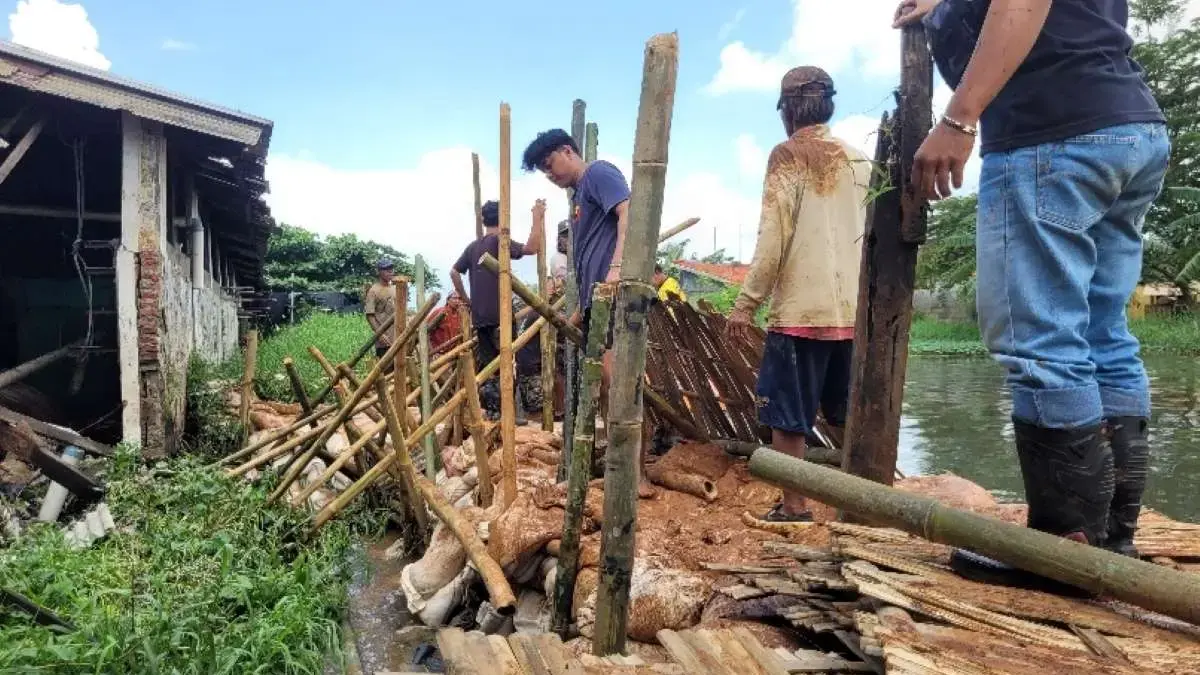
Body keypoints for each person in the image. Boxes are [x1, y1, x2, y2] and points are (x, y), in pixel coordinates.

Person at [894, 0, 1168, 581]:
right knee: (1103, 334)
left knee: (1039, 340)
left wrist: (958, 119)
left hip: (1052, 136)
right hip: (1127, 127)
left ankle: (1060, 553)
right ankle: (1109, 540)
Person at [725, 66, 871, 522]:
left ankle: (795, 506)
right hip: (853, 313)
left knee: (787, 416)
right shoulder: (860, 160)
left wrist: (746, 303)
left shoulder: (788, 155)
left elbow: (774, 236)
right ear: (828, 106)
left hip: (800, 313)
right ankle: (859, 504)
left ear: (788, 111)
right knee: (848, 412)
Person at [522, 128, 657, 498]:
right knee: (609, 390)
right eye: (543, 171)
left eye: (550, 164)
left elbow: (629, 214)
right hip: (598, 304)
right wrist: (581, 313)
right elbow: (589, 257)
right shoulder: (579, 196)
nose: (550, 174)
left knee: (621, 387)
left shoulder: (598, 173)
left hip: (615, 299)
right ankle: (623, 470)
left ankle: (637, 476)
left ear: (568, 150)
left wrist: (618, 268)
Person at [450, 199, 545, 419]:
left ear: (483, 220)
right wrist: (537, 217)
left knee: (489, 366)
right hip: (500, 315)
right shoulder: (500, 241)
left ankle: (494, 412)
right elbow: (532, 248)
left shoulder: (473, 247)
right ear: (503, 218)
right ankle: (509, 414)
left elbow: (454, 272)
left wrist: (467, 299)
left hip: (480, 317)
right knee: (506, 363)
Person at [365, 258, 398, 359]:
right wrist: (380, 334)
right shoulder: (373, 291)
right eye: (386, 269)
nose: (390, 271)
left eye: (391, 269)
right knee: (385, 366)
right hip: (384, 341)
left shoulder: (395, 289)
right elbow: (370, 316)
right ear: (379, 272)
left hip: (397, 337)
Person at [427, 291, 465, 356]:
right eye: (454, 298)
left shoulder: (460, 315)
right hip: (438, 353)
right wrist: (432, 351)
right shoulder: (439, 312)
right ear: (448, 300)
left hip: (452, 353)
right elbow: (425, 332)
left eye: (459, 299)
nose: (457, 301)